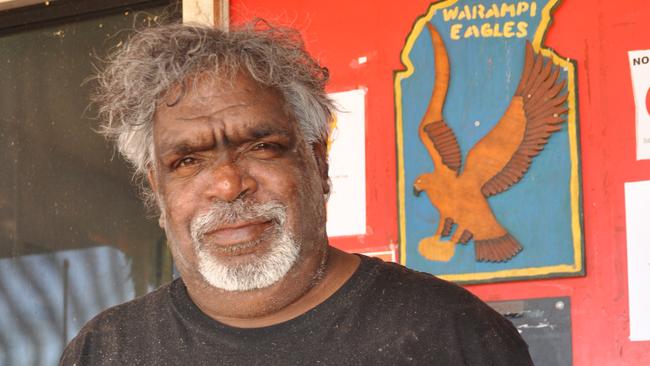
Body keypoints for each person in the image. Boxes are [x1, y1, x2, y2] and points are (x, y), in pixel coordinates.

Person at [60, 22, 533, 365]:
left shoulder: (452, 334)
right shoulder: (106, 350)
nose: (228, 184)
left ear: (319, 163)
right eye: (188, 161)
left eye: (262, 146)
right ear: (156, 189)